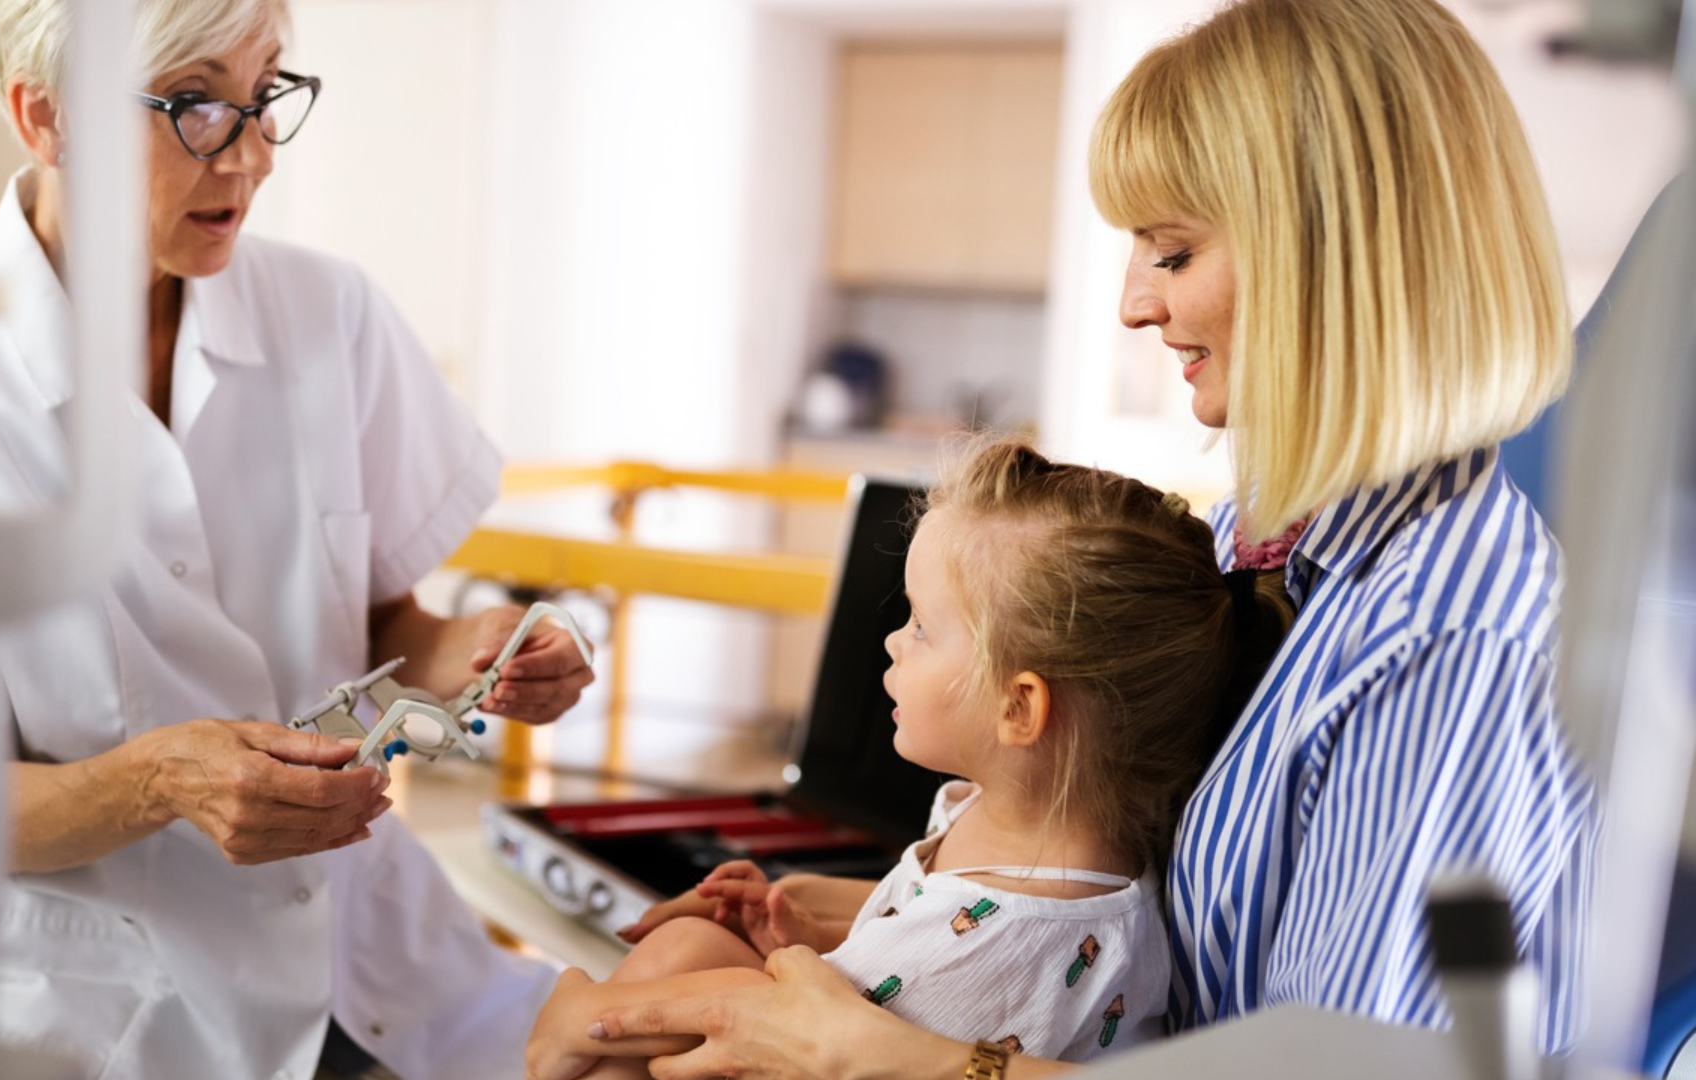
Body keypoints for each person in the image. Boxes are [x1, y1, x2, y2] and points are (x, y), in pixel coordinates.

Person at [550, 0, 1594, 1076]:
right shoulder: (1267, 542)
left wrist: (875, 1054)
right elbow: (1174, 952)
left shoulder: (1452, 640)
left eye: (1174, 252)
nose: (1136, 305)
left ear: (1334, 258)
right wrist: (898, 927)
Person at [0, 0, 594, 1076]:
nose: (254, 154)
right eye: (193, 105)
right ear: (46, 119)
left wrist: (478, 652)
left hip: (375, 969)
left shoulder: (332, 314)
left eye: (265, 92)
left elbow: (383, 624)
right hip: (97, 1014)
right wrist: (154, 783)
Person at [526, 438, 1291, 1080]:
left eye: (922, 627)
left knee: (686, 954)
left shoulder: (1009, 940)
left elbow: (828, 1037)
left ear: (1019, 708)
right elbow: (914, 967)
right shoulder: (1030, 842)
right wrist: (822, 940)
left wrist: (597, 1012)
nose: (893, 642)